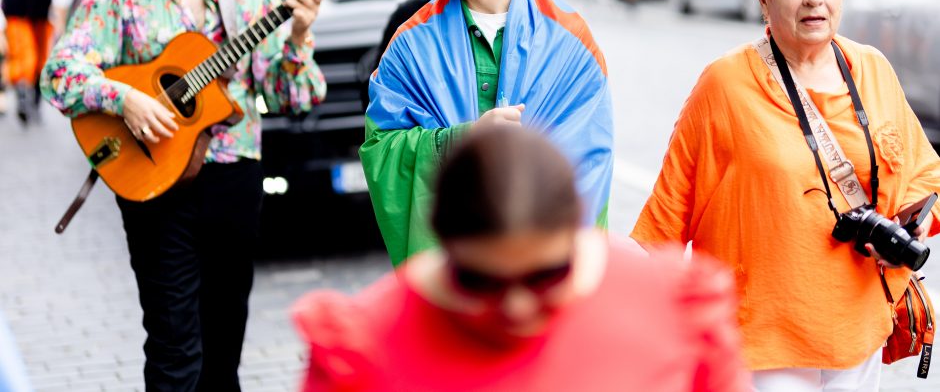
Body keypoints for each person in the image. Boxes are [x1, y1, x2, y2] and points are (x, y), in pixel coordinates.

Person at [40, 0, 327, 391]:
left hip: (235, 180)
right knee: (174, 345)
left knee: (225, 346)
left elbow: (296, 98)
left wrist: (301, 35)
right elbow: (57, 74)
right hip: (152, 183)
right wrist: (123, 98)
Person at [630, 0, 940, 390]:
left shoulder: (871, 68)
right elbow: (672, 207)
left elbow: (922, 174)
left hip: (857, 321)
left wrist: (911, 225)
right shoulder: (726, 84)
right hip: (765, 332)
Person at [294, 126, 751, 391]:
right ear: (442, 247)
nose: (516, 306)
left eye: (546, 276)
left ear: (578, 236)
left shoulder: (674, 307)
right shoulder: (362, 345)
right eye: (478, 280)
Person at [361, 0, 613, 267]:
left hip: (542, 264)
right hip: (457, 266)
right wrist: (463, 140)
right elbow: (382, 147)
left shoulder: (571, 39)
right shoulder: (410, 43)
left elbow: (588, 157)